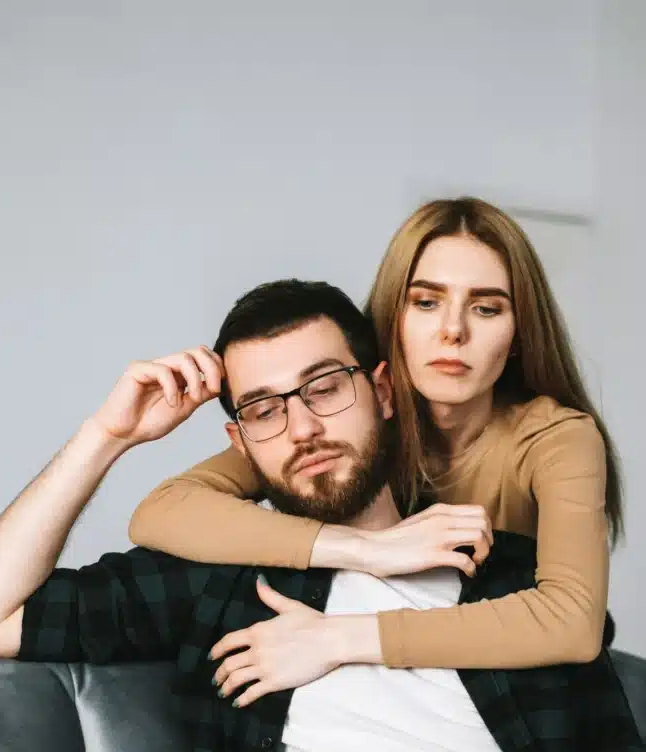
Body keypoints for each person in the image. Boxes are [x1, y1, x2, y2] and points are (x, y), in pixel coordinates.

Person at [0, 280, 644, 752]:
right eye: (264, 409)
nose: (301, 427)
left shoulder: (514, 580)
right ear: (240, 442)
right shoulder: (217, 584)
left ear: (383, 390)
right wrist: (107, 435)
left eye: (324, 387)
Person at [128, 197, 622, 673]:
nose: (453, 331)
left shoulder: (558, 440)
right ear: (393, 316)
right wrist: (362, 550)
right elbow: (163, 511)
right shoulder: (351, 413)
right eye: (426, 302)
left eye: (486, 309)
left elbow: (574, 624)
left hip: (509, 692)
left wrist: (341, 637)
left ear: (519, 335)